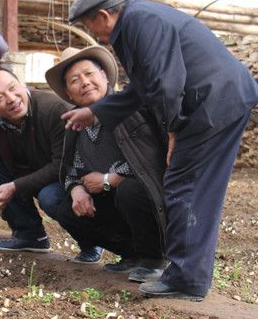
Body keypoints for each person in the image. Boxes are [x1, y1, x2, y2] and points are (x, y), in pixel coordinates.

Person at [64, 0, 258, 301]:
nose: (93, 32)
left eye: (89, 24)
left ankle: (186, 278)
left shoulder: (141, 22)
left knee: (186, 185)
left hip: (212, 103)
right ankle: (186, 275)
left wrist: (173, 129)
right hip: (216, 101)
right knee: (189, 185)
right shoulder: (137, 22)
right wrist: (97, 112)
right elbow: (141, 89)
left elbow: (166, 84)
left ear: (103, 15)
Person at [45, 46, 167, 277]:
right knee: (67, 210)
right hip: (109, 199)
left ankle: (155, 258)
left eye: (89, 74)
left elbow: (150, 160)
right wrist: (76, 189)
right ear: (69, 94)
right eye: (75, 80)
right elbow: (71, 168)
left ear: (104, 76)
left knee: (130, 190)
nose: (84, 82)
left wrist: (109, 180)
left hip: (146, 196)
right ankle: (131, 254)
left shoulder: (130, 109)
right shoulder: (74, 124)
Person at [0, 68, 96, 257]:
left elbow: (62, 165)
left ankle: (91, 242)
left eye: (12, 88)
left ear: (22, 84)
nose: (11, 99)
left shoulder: (53, 109)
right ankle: (31, 236)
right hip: (33, 175)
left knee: (49, 197)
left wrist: (15, 186)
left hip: (70, 179)